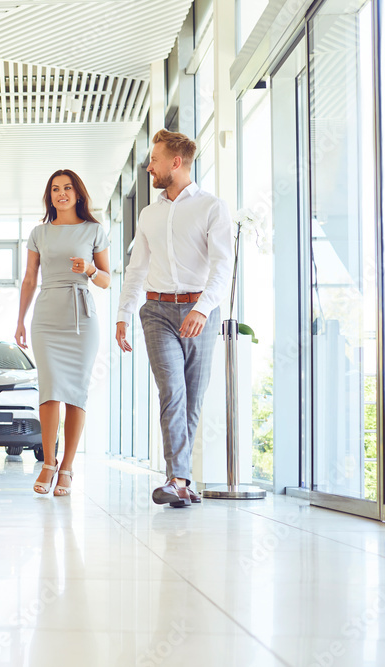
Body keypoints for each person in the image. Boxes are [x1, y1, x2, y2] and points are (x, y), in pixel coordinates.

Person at [115, 129, 233, 508]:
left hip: (201, 311)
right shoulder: (149, 214)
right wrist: (123, 314)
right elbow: (136, 270)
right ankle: (177, 477)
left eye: (154, 160)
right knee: (172, 392)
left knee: (192, 399)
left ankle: (182, 482)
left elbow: (222, 265)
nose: (150, 167)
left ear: (175, 162)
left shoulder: (212, 207)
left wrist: (202, 308)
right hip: (157, 311)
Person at [15, 169, 110, 496]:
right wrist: (19, 320)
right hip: (46, 316)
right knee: (50, 389)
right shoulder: (39, 233)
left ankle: (67, 468)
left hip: (81, 317)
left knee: (76, 392)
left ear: (78, 194)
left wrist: (91, 269)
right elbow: (29, 279)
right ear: (50, 196)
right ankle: (49, 463)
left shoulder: (94, 230)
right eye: (55, 189)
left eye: (67, 188)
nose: (61, 194)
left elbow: (107, 280)